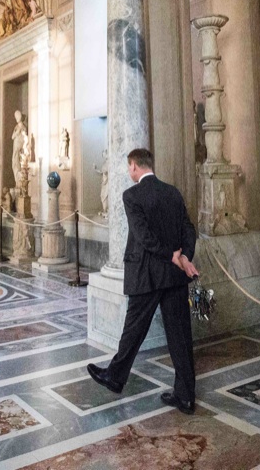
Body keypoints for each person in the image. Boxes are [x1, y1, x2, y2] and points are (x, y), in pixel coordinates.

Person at [86, 149, 200, 414]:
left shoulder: (131, 195)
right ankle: (186, 396)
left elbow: (144, 236)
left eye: (130, 167)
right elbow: (188, 229)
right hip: (173, 276)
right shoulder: (173, 192)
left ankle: (114, 377)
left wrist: (171, 257)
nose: (129, 172)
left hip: (147, 275)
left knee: (133, 330)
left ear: (135, 166)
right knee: (180, 336)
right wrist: (183, 256)